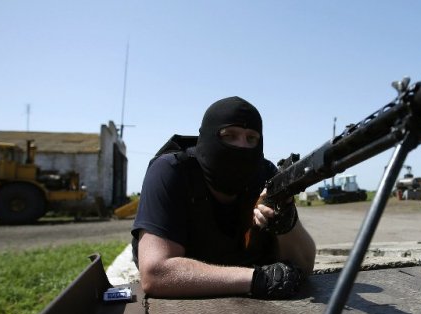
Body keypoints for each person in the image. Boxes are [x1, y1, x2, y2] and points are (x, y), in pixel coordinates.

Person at [132, 96, 316, 299]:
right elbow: (155, 273)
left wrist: (285, 221)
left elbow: (305, 265)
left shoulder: (266, 175)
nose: (242, 146)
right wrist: (256, 279)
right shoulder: (172, 171)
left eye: (251, 138)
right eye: (229, 136)